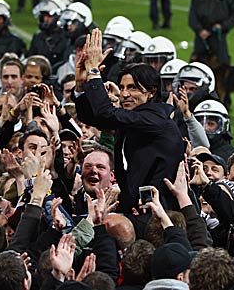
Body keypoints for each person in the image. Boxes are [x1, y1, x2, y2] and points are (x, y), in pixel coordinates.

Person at [74, 29, 184, 212]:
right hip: (137, 207)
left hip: (159, 213)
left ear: (151, 92)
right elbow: (92, 117)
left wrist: (94, 71)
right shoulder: (136, 119)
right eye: (122, 87)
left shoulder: (156, 120)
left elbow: (106, 113)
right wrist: (80, 86)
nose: (124, 94)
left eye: (132, 88)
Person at [188, 0, 234, 65]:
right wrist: (199, 30)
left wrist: (222, 26)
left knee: (222, 64)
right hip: (201, 37)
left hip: (218, 35)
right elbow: (192, 15)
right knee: (196, 65)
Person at [28, 0, 69, 67]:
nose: (45, 19)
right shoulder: (37, 37)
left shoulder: (66, 38)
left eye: (49, 16)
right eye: (44, 16)